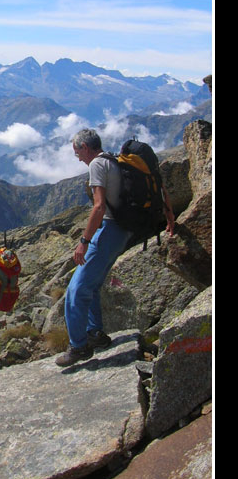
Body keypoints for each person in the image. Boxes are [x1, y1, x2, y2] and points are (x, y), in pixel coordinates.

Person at [56, 129, 176, 368]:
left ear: (86, 147)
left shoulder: (97, 165)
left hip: (110, 230)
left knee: (76, 290)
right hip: (123, 231)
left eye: (77, 152)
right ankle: (95, 333)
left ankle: (78, 346)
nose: (77, 157)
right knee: (93, 284)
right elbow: (158, 185)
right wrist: (169, 213)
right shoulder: (115, 159)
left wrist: (84, 242)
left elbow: (99, 206)